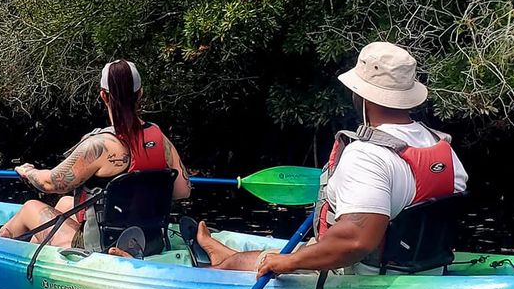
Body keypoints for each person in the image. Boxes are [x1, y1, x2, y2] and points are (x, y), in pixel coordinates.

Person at [195, 41, 467, 276]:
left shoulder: (367, 156)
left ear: (361, 96)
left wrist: (288, 262)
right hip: (424, 269)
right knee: (284, 251)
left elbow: (355, 241)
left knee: (246, 263)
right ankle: (223, 252)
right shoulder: (443, 148)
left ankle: (223, 262)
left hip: (363, 277)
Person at [0, 59, 191, 251]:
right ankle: (38, 253)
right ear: (140, 94)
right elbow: (183, 191)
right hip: (150, 240)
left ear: (104, 96)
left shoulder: (98, 145)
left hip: (104, 245)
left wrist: (28, 172)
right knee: (65, 203)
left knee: (30, 207)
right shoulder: (159, 137)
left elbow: (50, 183)